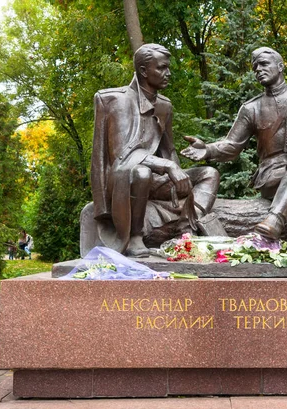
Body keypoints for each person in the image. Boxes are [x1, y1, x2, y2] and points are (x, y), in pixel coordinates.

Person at [182, 47, 287, 249]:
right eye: (255, 67)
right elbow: (232, 146)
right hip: (272, 174)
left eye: (264, 64)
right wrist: (208, 149)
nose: (258, 70)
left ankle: (275, 220)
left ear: (280, 67)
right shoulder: (251, 108)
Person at [91, 43, 220, 257]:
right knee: (141, 172)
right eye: (161, 68)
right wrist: (167, 166)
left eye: (168, 68)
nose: (168, 73)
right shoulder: (116, 100)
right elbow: (122, 155)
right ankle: (134, 237)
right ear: (143, 71)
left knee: (209, 174)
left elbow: (168, 150)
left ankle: (185, 227)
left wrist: (178, 174)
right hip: (123, 177)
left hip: (155, 178)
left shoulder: (164, 105)